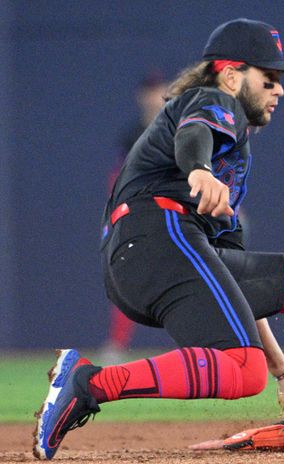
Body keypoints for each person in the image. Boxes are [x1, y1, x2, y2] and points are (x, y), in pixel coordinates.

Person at [33, 18, 284, 460]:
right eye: (269, 79)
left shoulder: (235, 158)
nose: (280, 90)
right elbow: (194, 133)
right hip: (155, 236)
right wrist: (198, 168)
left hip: (156, 253)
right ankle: (90, 383)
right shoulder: (215, 99)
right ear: (233, 74)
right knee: (242, 366)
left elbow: (233, 285)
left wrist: (280, 368)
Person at [99, 70, 169, 365]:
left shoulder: (177, 125)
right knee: (127, 278)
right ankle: (117, 345)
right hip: (139, 215)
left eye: (158, 89)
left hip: (175, 212)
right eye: (149, 90)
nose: (153, 95)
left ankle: (209, 343)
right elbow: (118, 178)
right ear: (142, 96)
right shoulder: (133, 133)